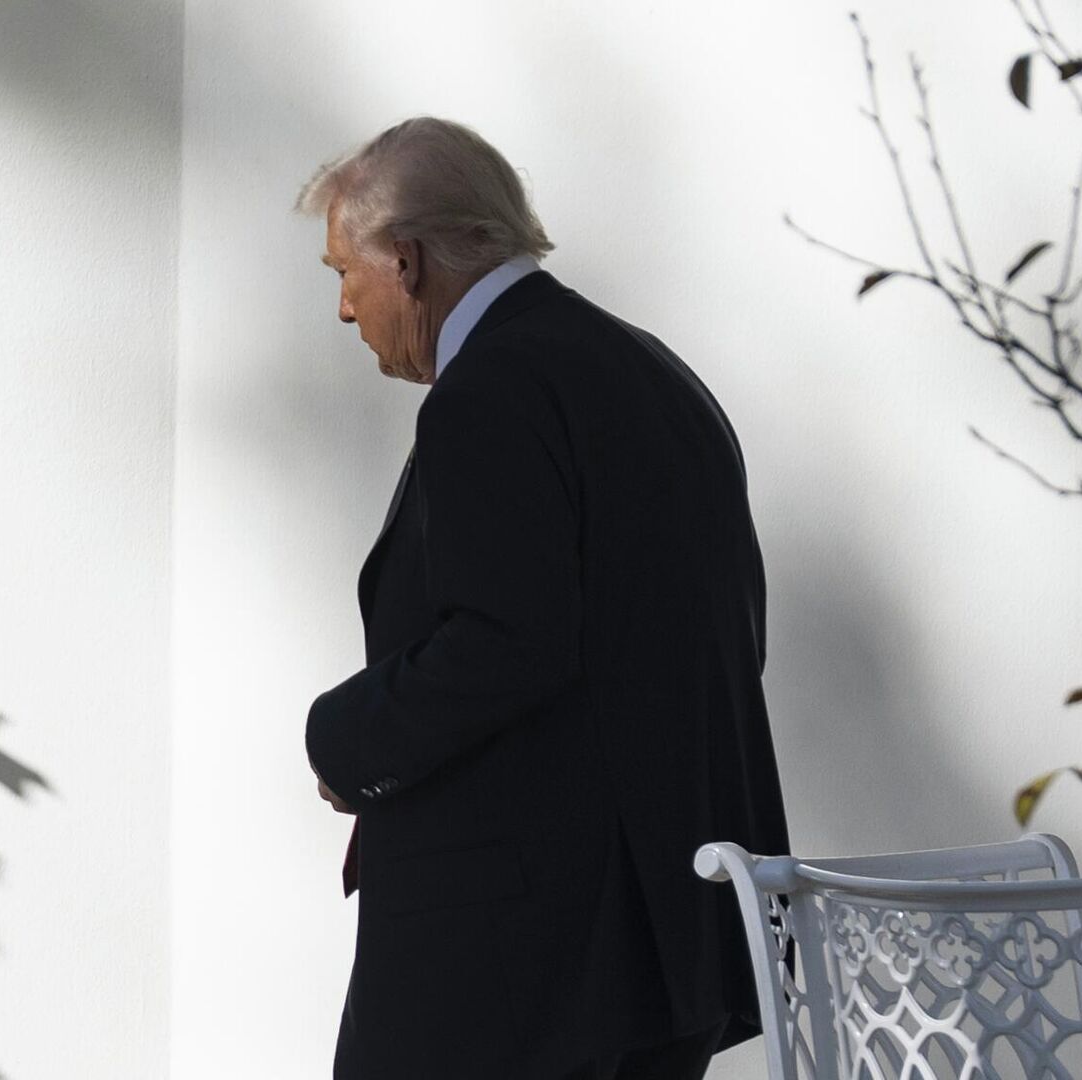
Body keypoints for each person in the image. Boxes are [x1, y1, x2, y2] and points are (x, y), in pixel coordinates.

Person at [297, 117, 793, 1080]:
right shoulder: (659, 376)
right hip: (668, 953)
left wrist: (345, 741)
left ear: (405, 261)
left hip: (518, 973)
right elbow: (726, 635)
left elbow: (505, 643)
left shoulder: (490, 391)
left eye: (344, 273)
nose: (346, 309)